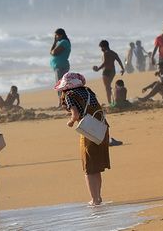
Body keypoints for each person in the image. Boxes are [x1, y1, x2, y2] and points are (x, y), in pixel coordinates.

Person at [55, 72, 110, 206]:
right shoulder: (88, 91)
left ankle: (95, 199)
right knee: (96, 167)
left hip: (88, 131)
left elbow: (75, 114)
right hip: (101, 128)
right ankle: (98, 196)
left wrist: (71, 122)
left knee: (89, 168)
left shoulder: (69, 95)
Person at [92, 40, 125, 104]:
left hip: (106, 72)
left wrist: (98, 69)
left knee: (107, 88)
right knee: (108, 86)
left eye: (101, 47)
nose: (101, 49)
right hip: (113, 71)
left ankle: (110, 102)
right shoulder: (113, 53)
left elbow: (105, 62)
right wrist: (122, 68)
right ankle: (113, 99)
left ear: (104, 47)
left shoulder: (105, 53)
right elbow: (119, 60)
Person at [50, 28, 71, 105]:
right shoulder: (61, 42)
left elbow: (54, 52)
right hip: (60, 66)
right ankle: (62, 101)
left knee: (60, 84)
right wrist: (55, 42)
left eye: (56, 35)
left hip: (61, 66)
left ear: (61, 35)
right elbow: (51, 52)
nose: (55, 37)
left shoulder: (64, 42)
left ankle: (61, 102)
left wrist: (54, 44)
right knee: (62, 84)